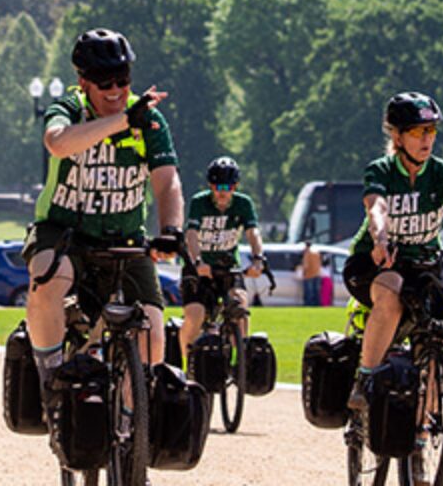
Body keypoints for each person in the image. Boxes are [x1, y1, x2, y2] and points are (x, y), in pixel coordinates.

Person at [23, 29, 183, 398]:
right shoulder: (69, 108)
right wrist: (124, 119)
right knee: (48, 276)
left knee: (153, 339)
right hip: (63, 233)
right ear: (83, 81)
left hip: (125, 239)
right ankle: (50, 379)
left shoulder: (151, 122)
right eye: (104, 81)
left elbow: (167, 182)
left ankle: (129, 425)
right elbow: (59, 143)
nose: (115, 90)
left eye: (123, 80)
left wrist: (171, 229)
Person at [343, 93, 443, 428]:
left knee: (436, 338)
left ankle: (423, 431)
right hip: (374, 262)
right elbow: (377, 210)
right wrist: (381, 240)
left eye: (431, 131)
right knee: (391, 288)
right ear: (397, 137)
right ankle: (365, 379)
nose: (426, 138)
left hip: (425, 265)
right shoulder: (381, 170)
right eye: (417, 131)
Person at [178, 156, 263, 362]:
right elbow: (191, 234)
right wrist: (197, 261)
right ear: (210, 185)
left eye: (228, 186)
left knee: (240, 307)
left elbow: (253, 233)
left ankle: (239, 362)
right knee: (195, 316)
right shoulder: (200, 202)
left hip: (227, 267)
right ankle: (186, 361)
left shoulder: (243, 204)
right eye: (217, 186)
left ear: (235, 186)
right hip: (199, 268)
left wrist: (258, 258)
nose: (222, 192)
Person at [299, 239, 325, 307]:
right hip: (317, 274)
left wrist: (302, 273)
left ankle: (308, 304)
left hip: (309, 275)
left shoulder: (307, 254)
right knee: (316, 291)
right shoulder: (316, 253)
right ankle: (317, 304)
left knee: (309, 292)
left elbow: (306, 265)